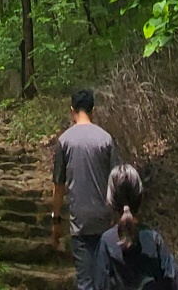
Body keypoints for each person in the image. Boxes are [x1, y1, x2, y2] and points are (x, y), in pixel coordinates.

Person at [51, 85, 120, 290]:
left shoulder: (64, 141)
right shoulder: (106, 139)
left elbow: (58, 185)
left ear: (72, 109)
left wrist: (56, 220)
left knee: (85, 282)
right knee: (106, 280)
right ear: (93, 110)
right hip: (105, 220)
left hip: (79, 222)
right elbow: (116, 181)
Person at [93, 163, 178, 290]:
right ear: (141, 197)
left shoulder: (107, 242)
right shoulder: (153, 239)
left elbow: (100, 285)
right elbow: (175, 282)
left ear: (111, 201)